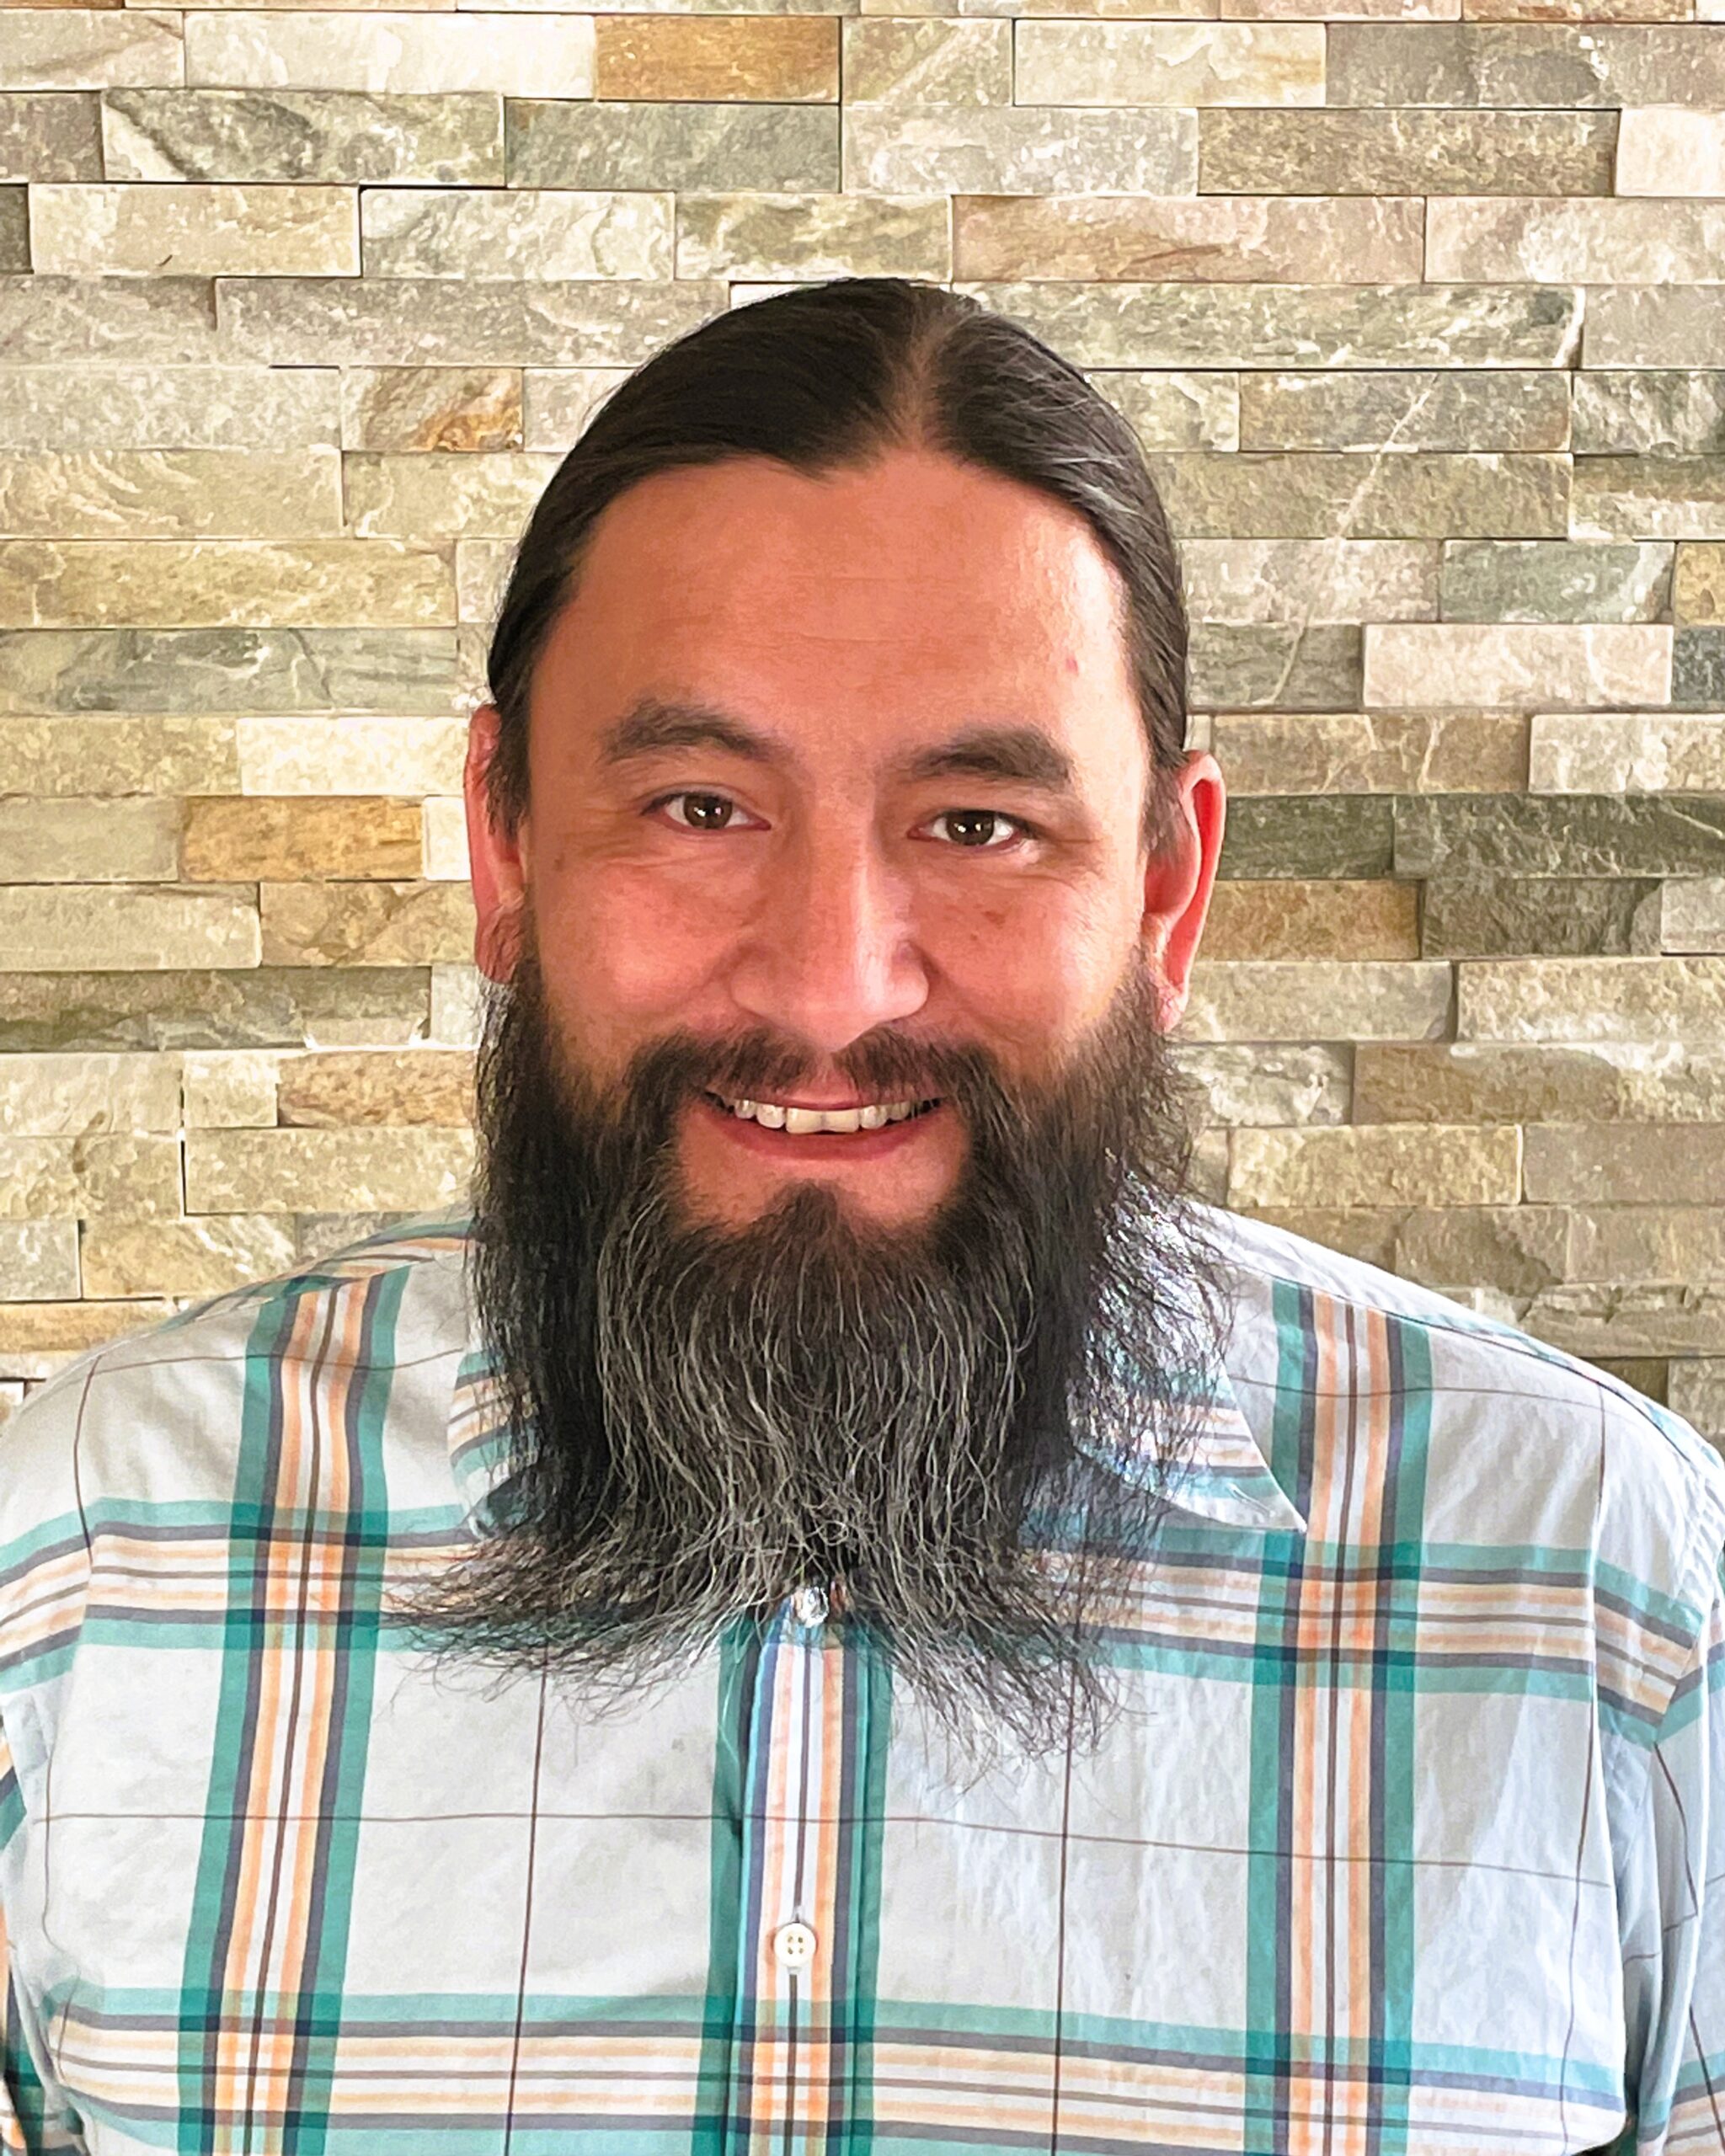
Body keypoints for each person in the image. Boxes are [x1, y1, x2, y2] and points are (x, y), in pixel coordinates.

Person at [0, 276, 1719, 2155]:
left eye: (977, 823)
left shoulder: (1609, 1594)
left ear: (1166, 892)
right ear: (504, 843)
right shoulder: (81, 1558)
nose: (831, 988)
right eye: (698, 806)